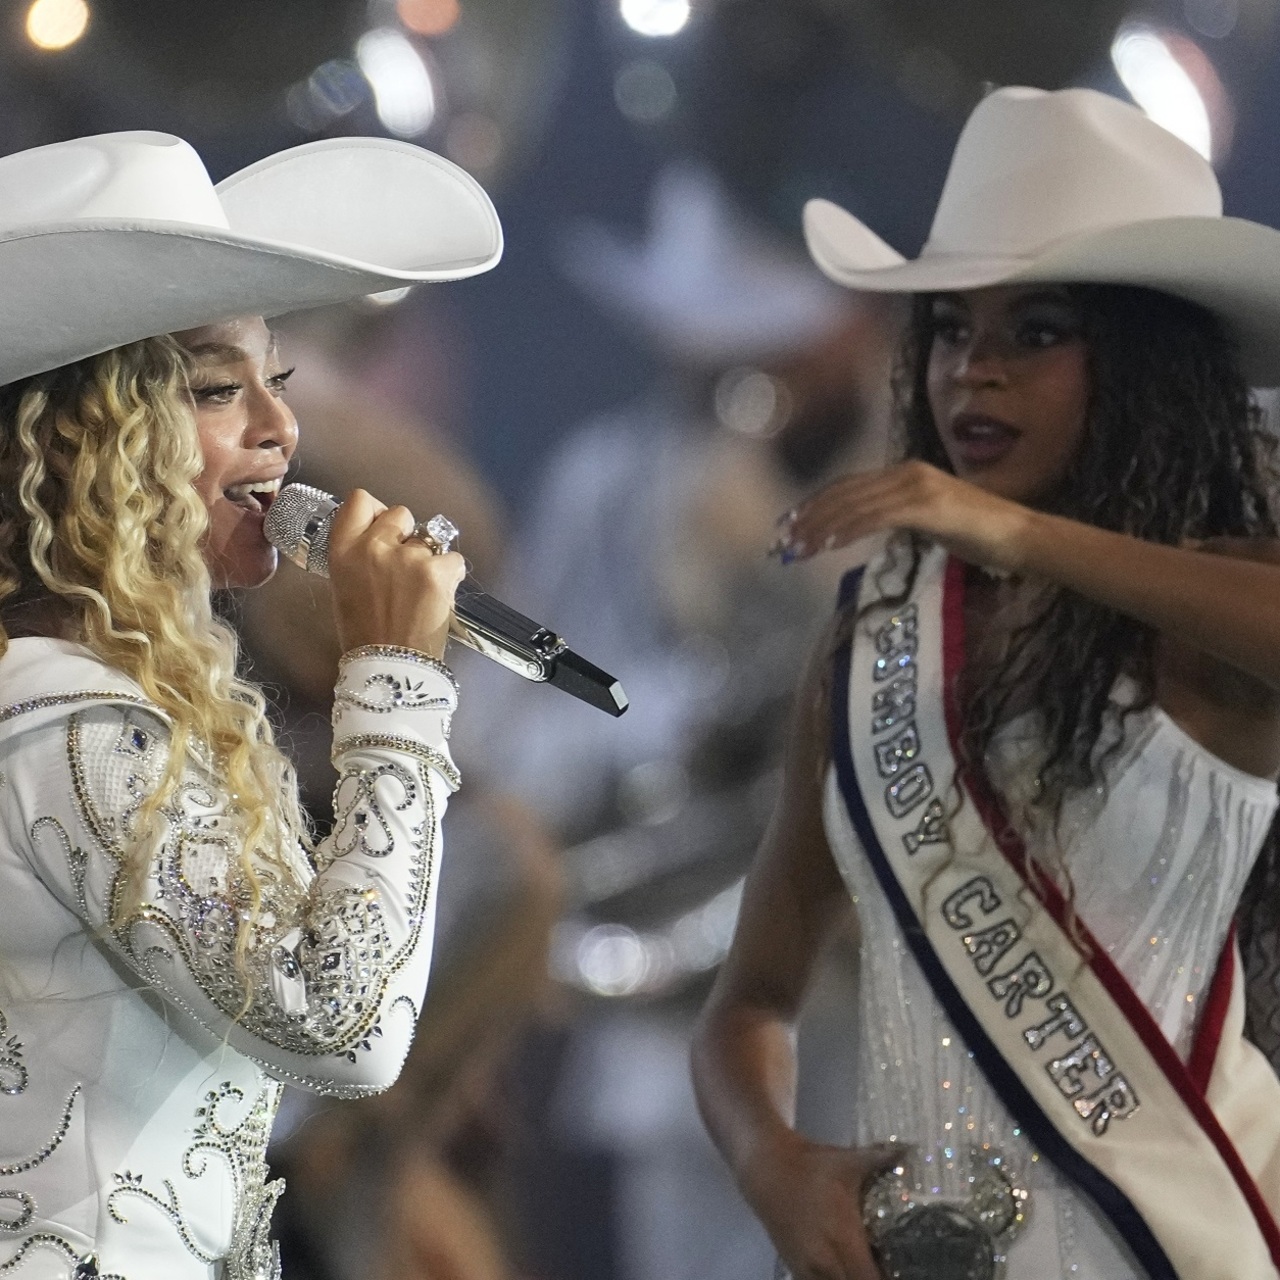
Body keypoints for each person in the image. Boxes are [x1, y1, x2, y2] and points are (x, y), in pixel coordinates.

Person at [691, 86, 1280, 1280]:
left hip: (1169, 1244)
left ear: (1146, 356)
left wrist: (1011, 533)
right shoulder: (872, 634)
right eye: (951, 328)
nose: (974, 373)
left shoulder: (1214, 607)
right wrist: (770, 1159)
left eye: (1035, 330)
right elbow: (748, 995)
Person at [0, 128, 502, 1279]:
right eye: (217, 389)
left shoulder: (86, 699)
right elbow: (343, 1023)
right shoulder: (66, 720)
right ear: (82, 442)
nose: (279, 429)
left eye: (275, 381)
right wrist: (394, 682)